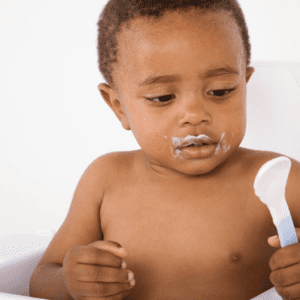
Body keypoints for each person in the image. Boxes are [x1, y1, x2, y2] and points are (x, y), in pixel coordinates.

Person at [29, 0, 300, 299]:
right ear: (118, 107)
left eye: (221, 91)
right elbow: (41, 277)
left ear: (244, 85)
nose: (195, 114)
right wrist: (70, 281)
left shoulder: (279, 179)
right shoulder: (104, 180)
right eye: (162, 97)